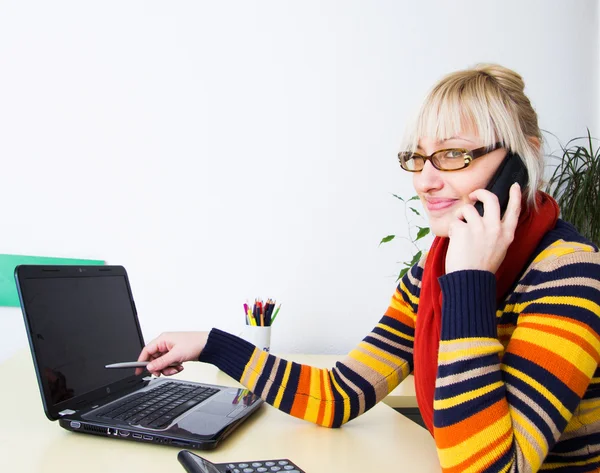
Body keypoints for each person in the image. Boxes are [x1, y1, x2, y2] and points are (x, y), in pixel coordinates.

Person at [137, 64, 600, 472]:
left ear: (522, 162)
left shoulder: (570, 275)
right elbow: (338, 395)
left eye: (454, 155)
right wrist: (210, 345)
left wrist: (469, 284)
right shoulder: (430, 277)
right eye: (417, 156)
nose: (425, 180)